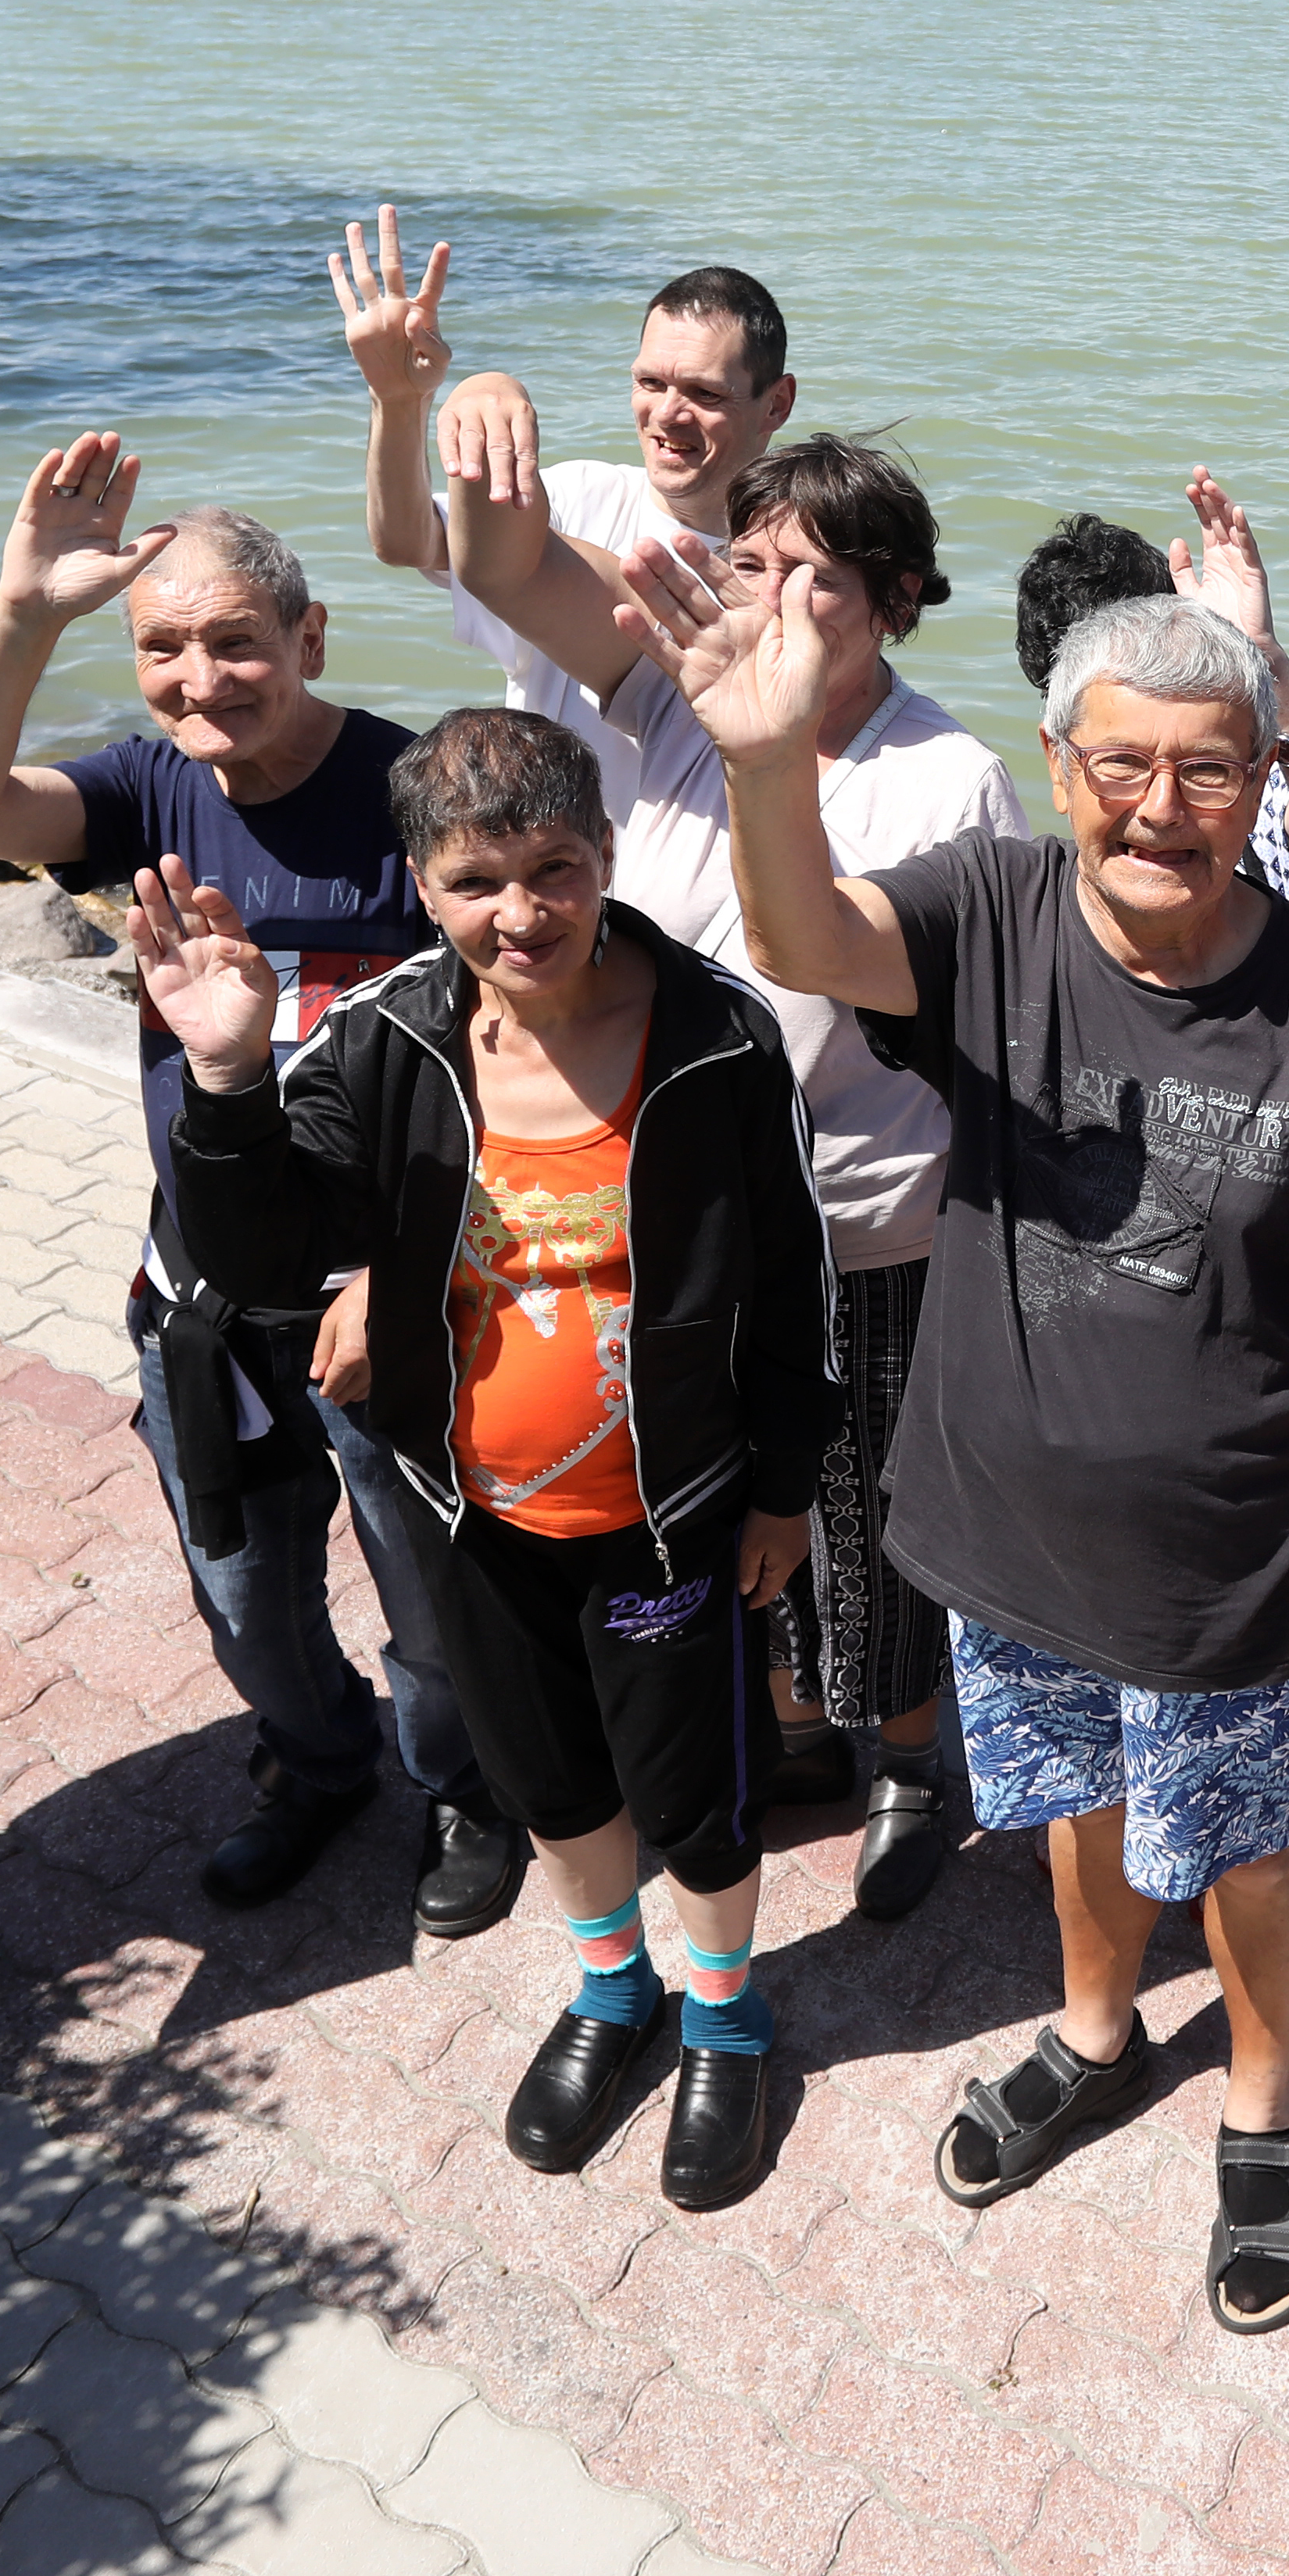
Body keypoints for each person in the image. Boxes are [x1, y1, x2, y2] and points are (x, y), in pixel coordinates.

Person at [639, 559, 1289, 2334]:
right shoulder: (992, 910)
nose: (1164, 807)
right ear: (1060, 765)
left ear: (1262, 783)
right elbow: (800, 944)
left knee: (1254, 1849)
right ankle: (1094, 2030)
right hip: (1004, 1535)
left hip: (1236, 1568)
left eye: (1211, 769)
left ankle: (1257, 2110)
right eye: (1124, 764)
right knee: (1070, 1802)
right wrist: (770, 764)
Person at [133, 710, 834, 2210]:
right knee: (552, 1789)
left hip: (670, 1516)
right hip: (471, 1509)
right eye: (474, 882)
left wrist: (784, 1488)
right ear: (422, 883)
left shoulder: (719, 1038)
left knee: (694, 1797)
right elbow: (262, 1256)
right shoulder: (386, 1038)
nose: (521, 915)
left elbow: (792, 1284)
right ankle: (609, 1992)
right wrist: (230, 1080)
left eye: (554, 869)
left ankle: (726, 2009)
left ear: (605, 851)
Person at [402, 374, 1026, 1916]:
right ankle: (799, 1729)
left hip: (868, 1223)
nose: (781, 596)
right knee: (738, 1515)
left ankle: (906, 1763)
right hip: (683, 1222)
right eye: (756, 560)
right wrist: (448, 398)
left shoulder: (948, 777)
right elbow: (501, 566)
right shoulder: (674, 700)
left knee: (876, 1526)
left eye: (824, 571)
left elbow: (971, 1021)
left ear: (893, 599)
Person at [0, 445, 528, 1934]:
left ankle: (460, 1786)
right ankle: (315, 1768)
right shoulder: (145, 790)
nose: (202, 680)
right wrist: (23, 612)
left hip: (391, 1291)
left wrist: (394, 1271)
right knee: (245, 1589)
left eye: (238, 641)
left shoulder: (415, 793)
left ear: (310, 639)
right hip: (201, 1296)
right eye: (164, 649)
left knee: (428, 1599)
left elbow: (508, 1057)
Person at [342, 211, 793, 735]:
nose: (668, 413)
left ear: (776, 404)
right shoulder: (579, 495)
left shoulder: (793, 559)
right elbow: (407, 542)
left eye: (705, 392)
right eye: (649, 383)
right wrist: (401, 402)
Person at [1010, 474, 1289, 943]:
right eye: (1122, 757)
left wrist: (1259, 653)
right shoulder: (1048, 862)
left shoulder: (1251, 774)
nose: (1159, 808)